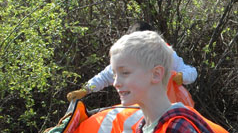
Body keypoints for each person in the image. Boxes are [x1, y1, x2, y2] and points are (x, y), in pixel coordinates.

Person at [66, 21, 197, 101]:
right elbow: (105, 76)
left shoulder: (165, 54)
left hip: (165, 110)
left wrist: (182, 76)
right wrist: (85, 89)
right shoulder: (126, 57)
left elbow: (191, 71)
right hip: (135, 112)